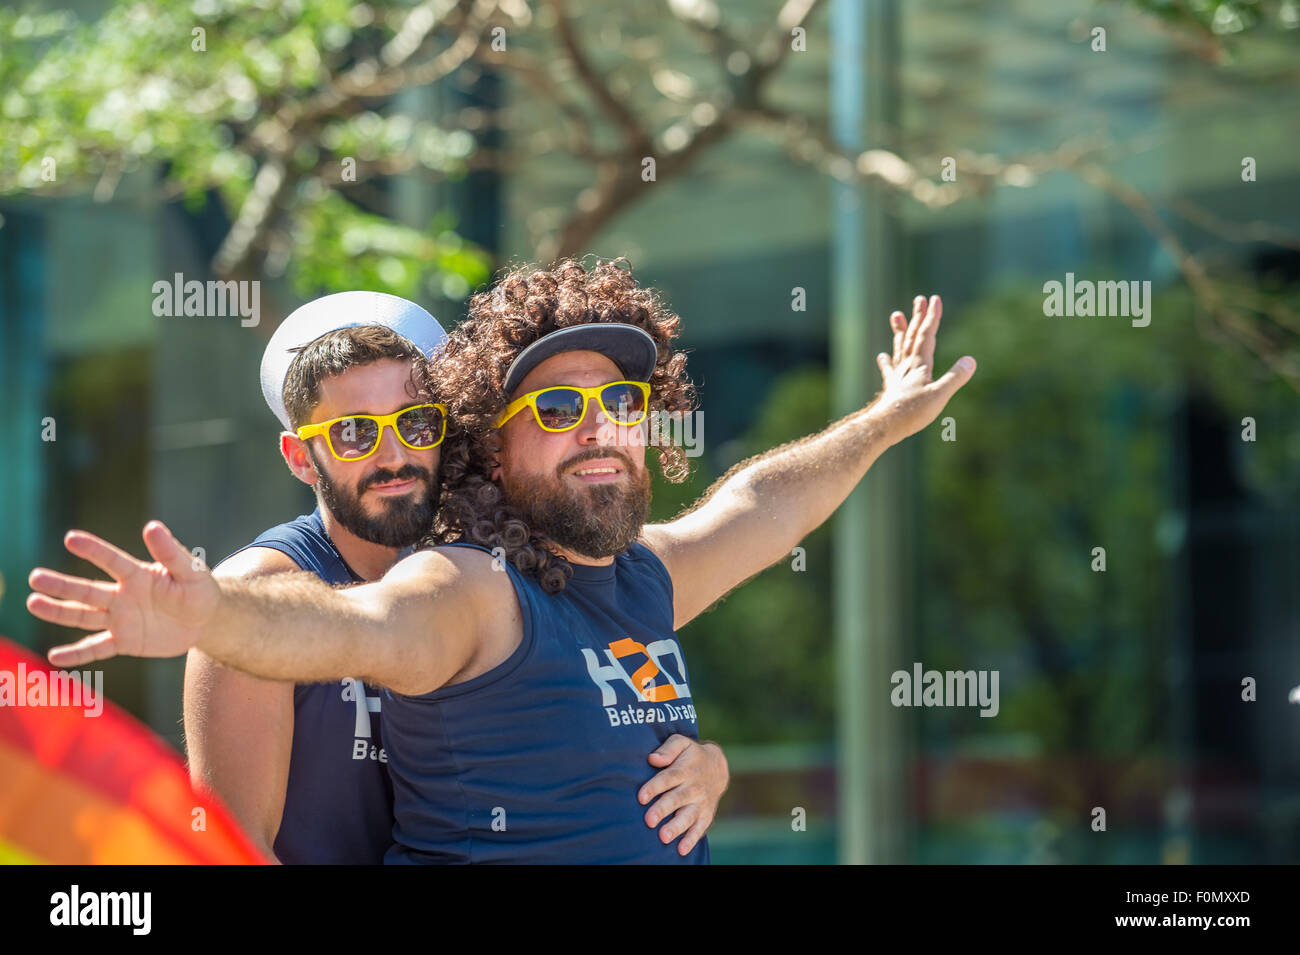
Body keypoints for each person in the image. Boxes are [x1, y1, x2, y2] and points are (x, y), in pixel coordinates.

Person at [28, 258, 976, 864]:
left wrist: (885, 421)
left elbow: (759, 507)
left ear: (452, 436)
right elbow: (357, 632)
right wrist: (211, 616)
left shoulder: (627, 572)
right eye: (556, 411)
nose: (393, 452)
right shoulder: (454, 587)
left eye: (414, 423)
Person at [181, 289, 728, 864]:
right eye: (354, 433)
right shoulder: (255, 595)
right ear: (299, 457)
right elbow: (227, 850)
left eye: (416, 423)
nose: (393, 455)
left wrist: (703, 764)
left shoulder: (485, 572)